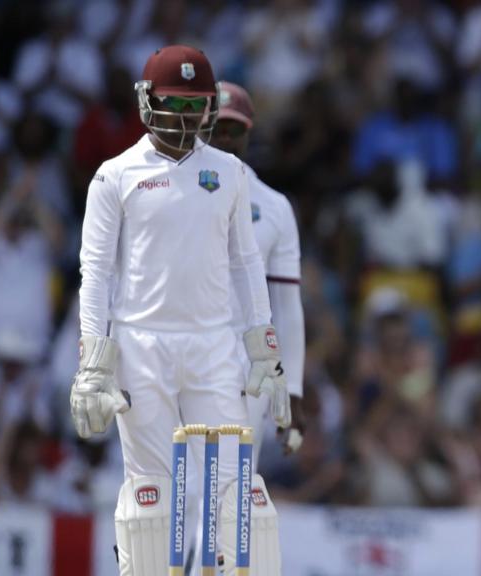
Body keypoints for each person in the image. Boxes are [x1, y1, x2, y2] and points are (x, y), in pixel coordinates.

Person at [71, 45, 288, 575]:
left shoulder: (229, 173)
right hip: (140, 346)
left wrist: (264, 348)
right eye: (175, 105)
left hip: (214, 345)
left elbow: (245, 265)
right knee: (152, 495)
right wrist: (93, 365)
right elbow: (96, 271)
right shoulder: (114, 176)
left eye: (195, 108)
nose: (185, 121)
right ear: (147, 102)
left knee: (239, 491)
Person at [182, 80, 307, 573]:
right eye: (216, 129)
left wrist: (292, 392)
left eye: (235, 131)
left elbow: (287, 304)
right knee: (184, 489)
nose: (225, 140)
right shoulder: (162, 190)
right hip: (178, 357)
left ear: (249, 136)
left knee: (228, 492)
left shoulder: (273, 206)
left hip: (246, 370)